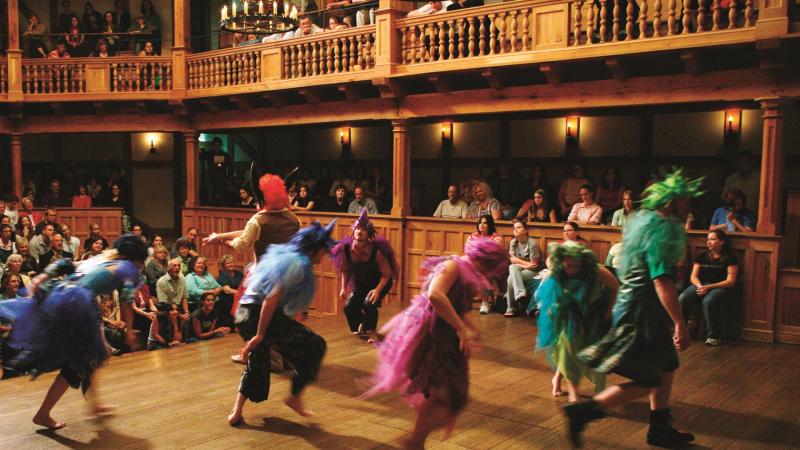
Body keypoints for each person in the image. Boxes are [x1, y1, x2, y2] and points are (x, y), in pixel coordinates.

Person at [566, 169, 703, 448]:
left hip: (642, 308)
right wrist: (679, 323)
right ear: (670, 202)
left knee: (666, 365)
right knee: (649, 377)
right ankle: (584, 411)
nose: (687, 205)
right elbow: (661, 280)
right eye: (683, 201)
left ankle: (659, 428)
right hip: (641, 313)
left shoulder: (651, 223)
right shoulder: (661, 230)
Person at [361, 238, 507, 448]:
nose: (488, 275)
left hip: (447, 338)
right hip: (434, 335)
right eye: (489, 269)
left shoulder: (467, 274)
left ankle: (415, 441)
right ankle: (415, 441)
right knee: (445, 395)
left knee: (452, 396)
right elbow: (435, 295)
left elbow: (460, 309)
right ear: (483, 262)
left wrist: (472, 330)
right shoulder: (453, 266)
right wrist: (461, 328)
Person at [0, 235, 146, 430]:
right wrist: (129, 330)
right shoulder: (128, 268)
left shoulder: (101, 258)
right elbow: (127, 301)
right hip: (78, 304)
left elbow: (65, 264)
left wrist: (41, 277)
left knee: (92, 357)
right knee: (78, 364)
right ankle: (43, 413)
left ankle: (95, 404)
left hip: (62, 295)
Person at [227, 221, 335, 426]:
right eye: (323, 250)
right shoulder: (298, 264)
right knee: (316, 345)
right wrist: (259, 334)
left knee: (258, 362)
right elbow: (271, 298)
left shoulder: (288, 257)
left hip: (245, 313)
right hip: (257, 314)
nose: (325, 255)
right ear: (314, 249)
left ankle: (236, 412)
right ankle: (294, 397)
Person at [537, 242, 618, 402]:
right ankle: (570, 388)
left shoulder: (595, 270)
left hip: (594, 313)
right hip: (569, 315)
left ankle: (563, 379)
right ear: (561, 263)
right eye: (569, 266)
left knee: (591, 351)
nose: (573, 269)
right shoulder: (555, 273)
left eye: (577, 266)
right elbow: (543, 296)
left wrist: (609, 312)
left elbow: (615, 287)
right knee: (567, 348)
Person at [332, 210, 398, 343]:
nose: (359, 231)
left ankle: (372, 332)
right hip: (361, 281)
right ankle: (363, 323)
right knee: (349, 306)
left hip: (380, 281)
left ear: (368, 233)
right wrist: (343, 287)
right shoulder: (345, 249)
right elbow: (345, 270)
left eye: (362, 229)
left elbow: (386, 274)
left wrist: (377, 290)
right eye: (357, 228)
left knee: (369, 303)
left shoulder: (376, 252)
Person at [679, 229, 739, 346]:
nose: (709, 242)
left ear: (721, 242)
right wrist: (700, 286)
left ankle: (714, 336)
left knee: (709, 301)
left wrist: (709, 287)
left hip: (720, 286)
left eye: (712, 239)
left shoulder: (730, 258)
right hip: (701, 284)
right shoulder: (701, 256)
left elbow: (730, 281)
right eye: (708, 240)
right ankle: (681, 330)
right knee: (683, 298)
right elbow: (694, 276)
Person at [504, 220, 541, 317]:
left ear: (525, 230)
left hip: (533, 272)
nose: (516, 229)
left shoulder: (532, 243)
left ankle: (511, 308)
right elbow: (512, 261)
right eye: (514, 228)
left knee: (511, 277)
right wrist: (526, 264)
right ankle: (520, 294)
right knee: (512, 269)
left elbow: (534, 265)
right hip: (520, 270)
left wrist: (522, 264)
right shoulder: (513, 242)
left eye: (519, 227)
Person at [216, 254, 244, 329]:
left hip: (239, 299)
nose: (230, 264)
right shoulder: (222, 275)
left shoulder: (239, 273)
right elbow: (227, 290)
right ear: (224, 265)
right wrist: (240, 294)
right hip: (228, 301)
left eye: (232, 262)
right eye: (228, 263)